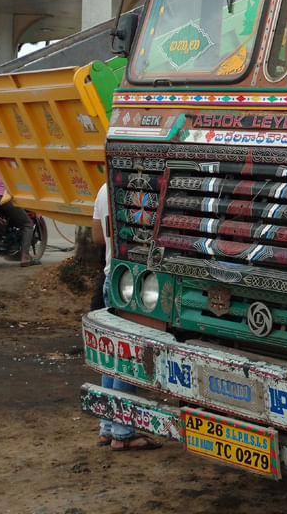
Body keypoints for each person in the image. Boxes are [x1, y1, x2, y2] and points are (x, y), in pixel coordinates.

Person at [92, 182, 163, 451]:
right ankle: (122, 433)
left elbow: (97, 237)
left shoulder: (104, 189)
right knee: (127, 357)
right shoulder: (146, 189)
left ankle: (107, 426)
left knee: (111, 356)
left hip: (111, 276)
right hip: (134, 282)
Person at [0, 148, 38, 266]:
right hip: (3, 197)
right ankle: (25, 257)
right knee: (27, 224)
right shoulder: (9, 154)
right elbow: (18, 174)